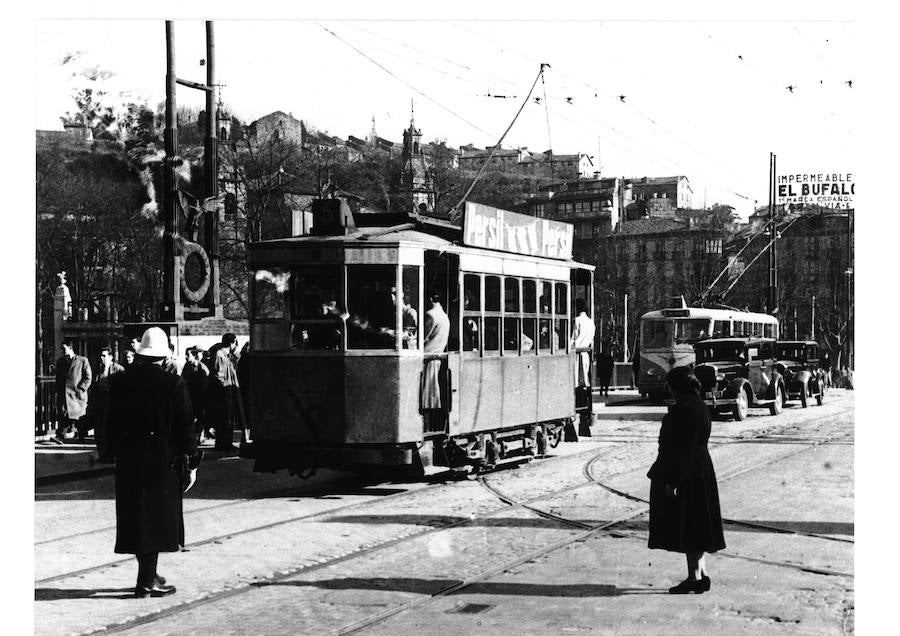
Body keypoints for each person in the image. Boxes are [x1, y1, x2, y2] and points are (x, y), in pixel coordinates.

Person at [107, 326, 198, 598]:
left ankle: (148, 574)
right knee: (156, 520)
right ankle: (146, 581)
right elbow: (186, 427)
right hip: (162, 462)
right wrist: (191, 462)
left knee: (136, 519)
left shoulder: (120, 382)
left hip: (129, 462)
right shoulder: (173, 383)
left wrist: (114, 452)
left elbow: (109, 424)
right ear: (163, 355)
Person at [647, 366, 725, 594]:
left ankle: (694, 578)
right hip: (700, 470)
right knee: (698, 523)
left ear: (676, 387)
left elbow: (683, 450)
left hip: (688, 473)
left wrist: (674, 482)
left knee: (690, 525)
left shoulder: (684, 410)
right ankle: (701, 573)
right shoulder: (698, 405)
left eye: (670, 385)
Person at [206, 333, 244, 452]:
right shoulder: (220, 355)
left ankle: (226, 443)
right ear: (232, 342)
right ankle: (223, 444)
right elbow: (219, 375)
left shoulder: (226, 355)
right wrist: (223, 390)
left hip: (227, 392)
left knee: (228, 419)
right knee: (224, 419)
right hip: (224, 393)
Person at [88, 346, 124, 462]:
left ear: (111, 357)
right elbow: (93, 386)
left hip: (112, 403)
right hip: (99, 403)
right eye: (101, 356)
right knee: (99, 430)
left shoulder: (118, 369)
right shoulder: (97, 369)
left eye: (104, 356)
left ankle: (111, 454)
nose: (101, 358)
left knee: (110, 429)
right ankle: (102, 454)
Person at [54, 339, 93, 442]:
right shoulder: (60, 362)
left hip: (77, 394)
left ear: (70, 348)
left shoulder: (82, 360)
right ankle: (61, 435)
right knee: (65, 414)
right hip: (65, 394)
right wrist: (57, 391)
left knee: (79, 416)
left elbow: (88, 377)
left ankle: (80, 436)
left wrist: (81, 388)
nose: (62, 350)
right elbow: (58, 378)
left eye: (64, 348)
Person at [420, 291, 450, 422]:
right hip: (437, 358)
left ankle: (426, 419)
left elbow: (422, 338)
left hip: (427, 359)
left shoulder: (431, 315)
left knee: (426, 392)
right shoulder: (444, 316)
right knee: (432, 390)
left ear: (430, 298)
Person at [181, 347, 210, 444]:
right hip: (190, 396)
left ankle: (200, 436)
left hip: (200, 397)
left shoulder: (202, 367)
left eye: (188, 355)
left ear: (195, 356)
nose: (186, 356)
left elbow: (206, 384)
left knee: (201, 417)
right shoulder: (187, 366)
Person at [571, 299, 596, 388]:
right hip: (586, 355)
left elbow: (573, 338)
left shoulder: (577, 320)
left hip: (576, 355)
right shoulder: (591, 322)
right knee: (584, 379)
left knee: (576, 380)